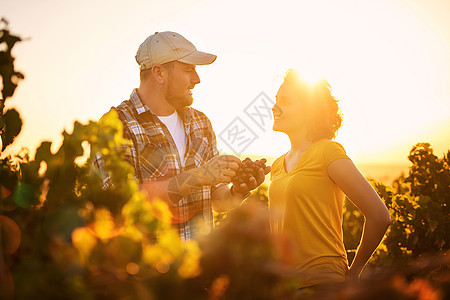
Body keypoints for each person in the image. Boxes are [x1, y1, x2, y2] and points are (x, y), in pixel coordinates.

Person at [94, 31, 270, 240]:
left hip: (199, 266)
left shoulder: (201, 123)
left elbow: (215, 200)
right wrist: (196, 177)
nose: (197, 79)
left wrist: (236, 192)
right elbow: (117, 205)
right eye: (188, 70)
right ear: (159, 74)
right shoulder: (117, 125)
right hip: (145, 270)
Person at [268, 69, 391, 290]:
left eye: (285, 101)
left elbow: (379, 216)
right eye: (275, 100)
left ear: (309, 111)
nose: (275, 107)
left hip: (323, 284)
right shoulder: (277, 165)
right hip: (285, 287)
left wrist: (354, 272)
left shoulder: (328, 152)